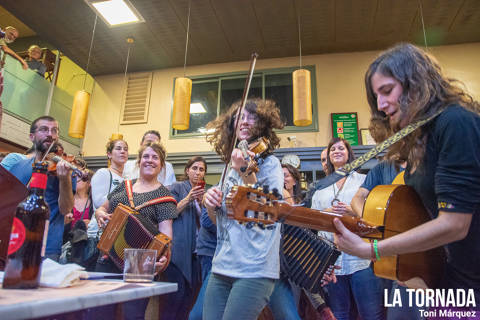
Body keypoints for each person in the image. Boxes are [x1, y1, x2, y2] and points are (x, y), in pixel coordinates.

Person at [333, 43, 480, 304]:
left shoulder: (455, 121)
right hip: (454, 275)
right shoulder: (419, 138)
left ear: (416, 83)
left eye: (387, 91)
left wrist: (372, 250)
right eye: (376, 96)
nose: (380, 104)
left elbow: (455, 224)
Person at [203, 98, 285, 319]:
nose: (245, 121)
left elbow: (269, 211)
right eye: (239, 117)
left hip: (255, 267)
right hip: (222, 264)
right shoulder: (227, 169)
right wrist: (210, 203)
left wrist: (244, 170)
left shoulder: (270, 164)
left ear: (263, 124)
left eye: (252, 116)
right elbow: (218, 220)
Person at [94, 142, 177, 319]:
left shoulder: (165, 197)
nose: (150, 160)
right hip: (108, 253)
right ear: (139, 162)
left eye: (155, 157)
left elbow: (166, 236)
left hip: (139, 262)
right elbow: (102, 208)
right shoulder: (124, 186)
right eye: (146, 156)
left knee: (132, 314)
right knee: (99, 312)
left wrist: (163, 257)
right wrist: (99, 213)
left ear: (161, 165)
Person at [312, 137, 384, 320]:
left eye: (341, 148)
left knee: (371, 314)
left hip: (361, 258)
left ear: (349, 153)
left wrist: (352, 212)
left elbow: (374, 215)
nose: (337, 151)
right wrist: (326, 212)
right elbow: (313, 220)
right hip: (332, 262)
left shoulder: (364, 180)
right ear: (328, 156)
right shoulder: (320, 187)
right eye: (332, 149)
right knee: (340, 314)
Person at [1, 116, 74, 261]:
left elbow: (65, 209)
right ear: (31, 136)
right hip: (14, 242)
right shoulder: (17, 165)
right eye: (44, 129)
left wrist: (64, 179)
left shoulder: (63, 169)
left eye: (54, 130)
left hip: (47, 247)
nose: (50, 134)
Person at [160, 156, 206, 319]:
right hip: (178, 252)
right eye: (194, 168)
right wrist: (188, 198)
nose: (197, 172)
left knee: (188, 299)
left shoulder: (204, 195)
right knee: (174, 298)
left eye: (201, 169)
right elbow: (169, 213)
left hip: (195, 254)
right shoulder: (177, 187)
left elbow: (206, 225)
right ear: (187, 171)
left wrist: (202, 204)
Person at [87, 138, 128, 238]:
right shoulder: (103, 173)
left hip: (117, 230)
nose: (123, 151)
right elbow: (99, 202)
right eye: (118, 148)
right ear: (109, 154)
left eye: (125, 149)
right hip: (100, 230)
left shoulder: (127, 178)